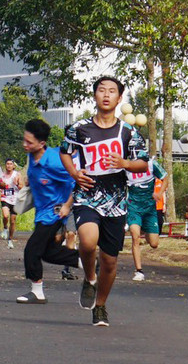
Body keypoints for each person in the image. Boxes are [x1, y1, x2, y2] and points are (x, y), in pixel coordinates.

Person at [61, 77, 150, 326]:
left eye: (112, 91)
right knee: (88, 242)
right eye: (102, 90)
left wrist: (125, 164)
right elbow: (64, 152)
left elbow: (143, 161)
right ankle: (90, 277)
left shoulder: (128, 132)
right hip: (87, 194)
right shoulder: (79, 128)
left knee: (110, 261)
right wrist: (74, 173)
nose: (107, 95)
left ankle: (100, 306)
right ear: (95, 96)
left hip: (117, 201)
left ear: (119, 98)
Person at [14, 119, 79, 304]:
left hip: (55, 213)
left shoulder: (56, 161)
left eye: (29, 142)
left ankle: (37, 292)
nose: (24, 145)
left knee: (32, 251)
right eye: (24, 140)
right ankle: (87, 261)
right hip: (41, 212)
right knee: (48, 252)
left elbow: (77, 182)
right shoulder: (32, 156)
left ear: (42, 143)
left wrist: (67, 205)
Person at [126, 157, 165, 282]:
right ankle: (139, 271)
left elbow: (165, 178)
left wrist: (159, 193)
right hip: (133, 207)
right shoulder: (126, 166)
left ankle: (143, 227)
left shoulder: (151, 164)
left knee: (154, 244)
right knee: (135, 237)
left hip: (149, 208)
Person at [0, 158, 23, 249]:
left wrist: (16, 184)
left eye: (10, 164)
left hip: (15, 199)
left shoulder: (17, 175)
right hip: (5, 198)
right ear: (5, 165)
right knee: (5, 215)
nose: (9, 165)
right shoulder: (2, 175)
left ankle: (10, 239)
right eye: (7, 164)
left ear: (13, 166)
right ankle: (5, 228)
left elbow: (21, 187)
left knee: (12, 221)